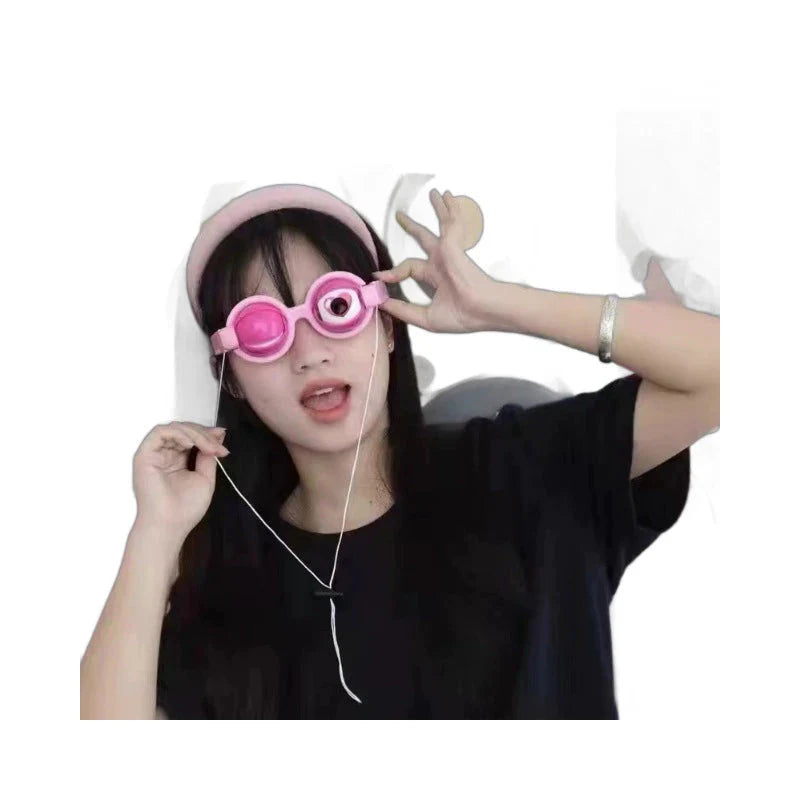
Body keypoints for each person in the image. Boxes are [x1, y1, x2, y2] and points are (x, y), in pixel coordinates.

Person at [80, 183, 709, 719]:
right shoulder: (226, 578)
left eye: (335, 307)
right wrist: (155, 531)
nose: (310, 352)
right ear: (233, 379)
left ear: (386, 325)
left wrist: (497, 302)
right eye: (263, 328)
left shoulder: (520, 469)